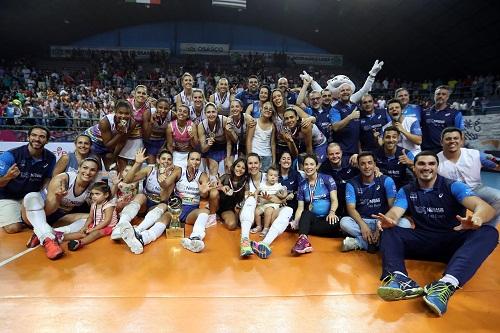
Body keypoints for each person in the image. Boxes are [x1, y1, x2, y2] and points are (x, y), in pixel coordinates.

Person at [375, 151, 498, 316]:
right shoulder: (407, 190)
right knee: (389, 230)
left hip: (451, 241)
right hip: (423, 240)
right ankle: (400, 279)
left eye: (431, 164)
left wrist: (477, 218)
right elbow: (395, 212)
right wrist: (389, 220)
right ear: (415, 167)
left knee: (489, 233)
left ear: (437, 167)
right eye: (421, 164)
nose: (426, 168)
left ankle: (446, 284)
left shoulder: (453, 186)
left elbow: (485, 208)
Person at [22, 157, 100, 259]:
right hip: (38, 213)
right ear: (79, 168)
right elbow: (50, 209)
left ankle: (47, 233)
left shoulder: (92, 187)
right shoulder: (63, 179)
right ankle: (49, 240)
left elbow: (99, 207)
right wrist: (58, 196)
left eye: (92, 170)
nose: (88, 172)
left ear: (96, 173)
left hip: (58, 219)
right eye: (85, 168)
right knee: (31, 197)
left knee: (93, 219)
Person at [339, 152, 410, 252]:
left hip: (383, 221)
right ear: (358, 166)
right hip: (364, 221)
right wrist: (363, 226)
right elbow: (351, 208)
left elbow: (392, 206)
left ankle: (361, 242)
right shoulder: (351, 183)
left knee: (405, 223)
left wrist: (382, 224)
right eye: (363, 164)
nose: (367, 166)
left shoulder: (386, 180)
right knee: (344, 222)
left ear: (375, 165)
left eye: (369, 163)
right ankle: (382, 241)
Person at [437, 127, 500, 227]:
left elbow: (496, 166)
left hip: (476, 189)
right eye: (448, 139)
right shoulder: (435, 160)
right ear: (441, 142)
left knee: (498, 198)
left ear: (461, 141)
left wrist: (496, 162)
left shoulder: (474, 154)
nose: (452, 141)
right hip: (451, 194)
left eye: (455, 138)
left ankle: (488, 229)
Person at [0, 125, 56, 233]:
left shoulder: (51, 157)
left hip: (30, 197)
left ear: (47, 141)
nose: (37, 139)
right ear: (28, 137)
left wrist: (44, 195)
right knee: (13, 228)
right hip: (8, 196)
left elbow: (47, 179)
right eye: (34, 135)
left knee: (47, 221)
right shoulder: (10, 155)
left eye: (42, 136)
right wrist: (8, 177)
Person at [239, 154, 293, 258]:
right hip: (252, 216)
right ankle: (244, 241)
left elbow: (281, 200)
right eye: (250, 163)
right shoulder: (245, 180)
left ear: (260, 164)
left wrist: (268, 198)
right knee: (250, 199)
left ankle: (264, 243)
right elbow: (247, 201)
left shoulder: (270, 175)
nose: (253, 166)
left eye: (256, 163)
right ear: (247, 165)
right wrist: (258, 198)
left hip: (270, 216)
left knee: (288, 210)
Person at [290, 154, 339, 255]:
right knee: (305, 214)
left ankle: (305, 229)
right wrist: (296, 221)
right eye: (306, 164)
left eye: (312, 164)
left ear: (316, 166)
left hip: (328, 218)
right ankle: (303, 240)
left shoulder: (327, 179)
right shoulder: (302, 185)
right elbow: (300, 208)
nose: (309, 167)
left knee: (336, 223)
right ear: (303, 167)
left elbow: (334, 200)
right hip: (313, 219)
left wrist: (332, 212)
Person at [64, 182, 118, 251]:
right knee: (82, 232)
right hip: (96, 225)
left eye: (97, 194)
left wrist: (94, 229)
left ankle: (80, 242)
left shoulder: (108, 206)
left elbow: (107, 221)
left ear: (106, 195)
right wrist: (85, 226)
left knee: (96, 233)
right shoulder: (94, 205)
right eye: (92, 194)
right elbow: (90, 217)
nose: (94, 196)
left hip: (108, 227)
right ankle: (60, 237)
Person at [84, 100, 135, 169]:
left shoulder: (132, 123)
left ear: (131, 114)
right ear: (115, 112)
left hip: (109, 142)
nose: (123, 116)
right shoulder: (105, 122)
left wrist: (114, 157)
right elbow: (108, 145)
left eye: (127, 113)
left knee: (112, 168)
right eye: (120, 113)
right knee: (94, 166)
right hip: (94, 141)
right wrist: (120, 134)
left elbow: (122, 142)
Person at [318, 143, 359, 218]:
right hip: (335, 200)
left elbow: (367, 167)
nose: (335, 156)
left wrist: (358, 156)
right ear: (326, 155)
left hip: (354, 200)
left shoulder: (351, 161)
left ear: (342, 153)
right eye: (331, 154)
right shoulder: (323, 169)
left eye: (337, 153)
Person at [421, 86, 464, 152]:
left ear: (447, 97)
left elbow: (461, 134)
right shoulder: (424, 112)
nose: (440, 96)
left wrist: (459, 151)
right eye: (438, 94)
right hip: (427, 151)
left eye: (443, 94)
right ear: (434, 96)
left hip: (446, 151)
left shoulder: (455, 113)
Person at [251, 166, 287, 237]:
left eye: (275, 176)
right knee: (257, 211)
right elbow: (256, 192)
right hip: (263, 203)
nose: (273, 177)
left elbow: (285, 191)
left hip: (273, 204)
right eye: (271, 175)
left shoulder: (278, 186)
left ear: (277, 177)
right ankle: (259, 226)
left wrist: (283, 195)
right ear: (266, 176)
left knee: (268, 211)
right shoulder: (262, 185)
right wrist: (255, 198)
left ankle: (266, 228)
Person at [198, 102, 231, 180]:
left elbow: (229, 142)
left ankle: (227, 187)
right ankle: (214, 187)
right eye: (208, 112)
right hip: (213, 147)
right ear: (205, 114)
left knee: (228, 167)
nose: (211, 114)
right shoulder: (201, 125)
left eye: (213, 112)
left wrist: (228, 158)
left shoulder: (224, 120)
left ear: (217, 112)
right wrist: (208, 144)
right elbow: (203, 149)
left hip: (226, 146)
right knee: (213, 168)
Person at [330, 83, 361, 160]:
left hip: (356, 151)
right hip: (342, 152)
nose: (345, 92)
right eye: (342, 90)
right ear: (339, 94)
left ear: (351, 92)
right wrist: (350, 117)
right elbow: (335, 127)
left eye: (347, 90)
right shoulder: (335, 109)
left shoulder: (355, 106)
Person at [216, 158, 247, 230]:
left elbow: (247, 195)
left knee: (232, 225)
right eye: (238, 166)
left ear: (245, 171)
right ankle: (213, 213)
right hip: (218, 206)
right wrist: (221, 187)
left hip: (229, 210)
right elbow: (214, 186)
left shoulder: (245, 182)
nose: (240, 169)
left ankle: (223, 218)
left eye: (243, 168)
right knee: (214, 192)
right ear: (234, 167)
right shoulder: (226, 177)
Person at [246, 101, 276, 171]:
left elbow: (273, 143)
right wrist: (249, 156)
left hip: (267, 156)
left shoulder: (272, 126)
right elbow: (249, 140)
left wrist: (274, 160)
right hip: (255, 154)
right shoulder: (254, 122)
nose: (268, 110)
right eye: (265, 108)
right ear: (261, 109)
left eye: (270, 109)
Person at [166, 104, 198, 169]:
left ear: (188, 115)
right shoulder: (170, 126)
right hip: (176, 153)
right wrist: (171, 158)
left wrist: (192, 138)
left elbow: (195, 146)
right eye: (179, 111)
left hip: (189, 153)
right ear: (176, 112)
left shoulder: (192, 125)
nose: (181, 113)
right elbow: (169, 145)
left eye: (185, 112)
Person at [142, 97, 173, 164]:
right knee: (152, 166)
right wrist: (151, 123)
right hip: (150, 142)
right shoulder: (148, 113)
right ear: (156, 107)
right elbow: (146, 136)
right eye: (160, 107)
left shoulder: (172, 115)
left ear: (169, 109)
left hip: (163, 142)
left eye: (166, 108)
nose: (163, 110)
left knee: (163, 165)